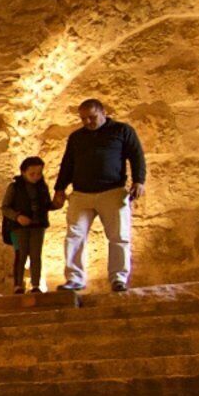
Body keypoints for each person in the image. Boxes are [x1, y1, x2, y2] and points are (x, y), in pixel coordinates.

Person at [56, 98, 146, 292]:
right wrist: (59, 188)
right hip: (81, 193)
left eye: (92, 117)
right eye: (83, 119)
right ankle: (75, 279)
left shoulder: (122, 131)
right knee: (74, 236)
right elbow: (68, 163)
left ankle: (118, 278)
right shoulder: (77, 137)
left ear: (103, 112)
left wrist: (139, 180)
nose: (88, 122)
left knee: (118, 236)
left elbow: (136, 155)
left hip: (112, 191)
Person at [0, 157, 53, 294]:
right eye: (32, 174)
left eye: (39, 173)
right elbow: (5, 208)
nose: (36, 177)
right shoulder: (14, 187)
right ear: (23, 172)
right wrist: (17, 217)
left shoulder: (42, 187)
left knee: (36, 255)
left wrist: (55, 204)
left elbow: (46, 205)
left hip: (38, 225)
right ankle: (18, 285)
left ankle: (36, 285)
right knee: (20, 254)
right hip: (18, 227)